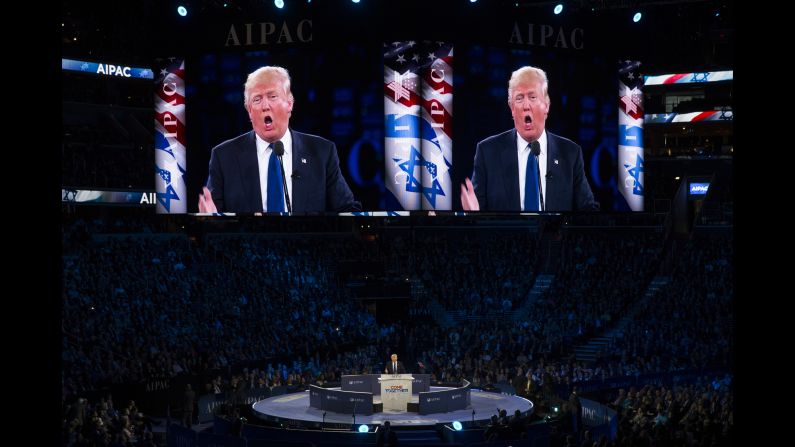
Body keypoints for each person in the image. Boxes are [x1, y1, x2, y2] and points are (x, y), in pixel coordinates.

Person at [198, 65, 361, 213]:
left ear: (289, 103)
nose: (265, 106)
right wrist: (211, 219)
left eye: (272, 96)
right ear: (249, 111)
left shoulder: (322, 152)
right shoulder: (224, 156)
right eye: (257, 99)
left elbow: (348, 211)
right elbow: (213, 220)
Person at [460, 65, 599, 212]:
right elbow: (477, 217)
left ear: (546, 106)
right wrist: (472, 214)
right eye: (519, 98)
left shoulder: (570, 153)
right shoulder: (488, 152)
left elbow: (588, 211)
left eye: (532, 97)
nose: (526, 105)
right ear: (512, 109)